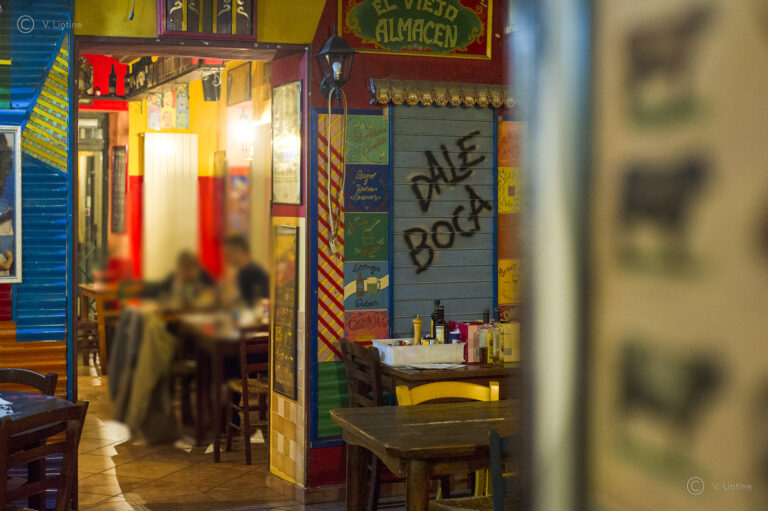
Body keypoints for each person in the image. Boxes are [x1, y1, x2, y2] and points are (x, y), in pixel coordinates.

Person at [223, 235, 269, 307]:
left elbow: (262, 304)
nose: (226, 259)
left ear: (238, 251)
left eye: (228, 255)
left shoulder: (256, 273)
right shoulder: (241, 274)